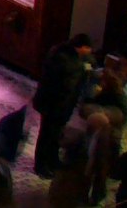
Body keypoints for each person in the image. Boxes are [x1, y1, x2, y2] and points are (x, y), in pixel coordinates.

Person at [34, 34, 96, 176]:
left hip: (62, 104)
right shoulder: (62, 57)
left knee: (56, 133)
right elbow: (67, 81)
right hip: (52, 103)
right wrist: (83, 69)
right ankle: (40, 166)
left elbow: (90, 61)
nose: (89, 52)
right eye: (88, 48)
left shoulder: (70, 55)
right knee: (47, 134)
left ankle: (52, 160)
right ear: (82, 47)